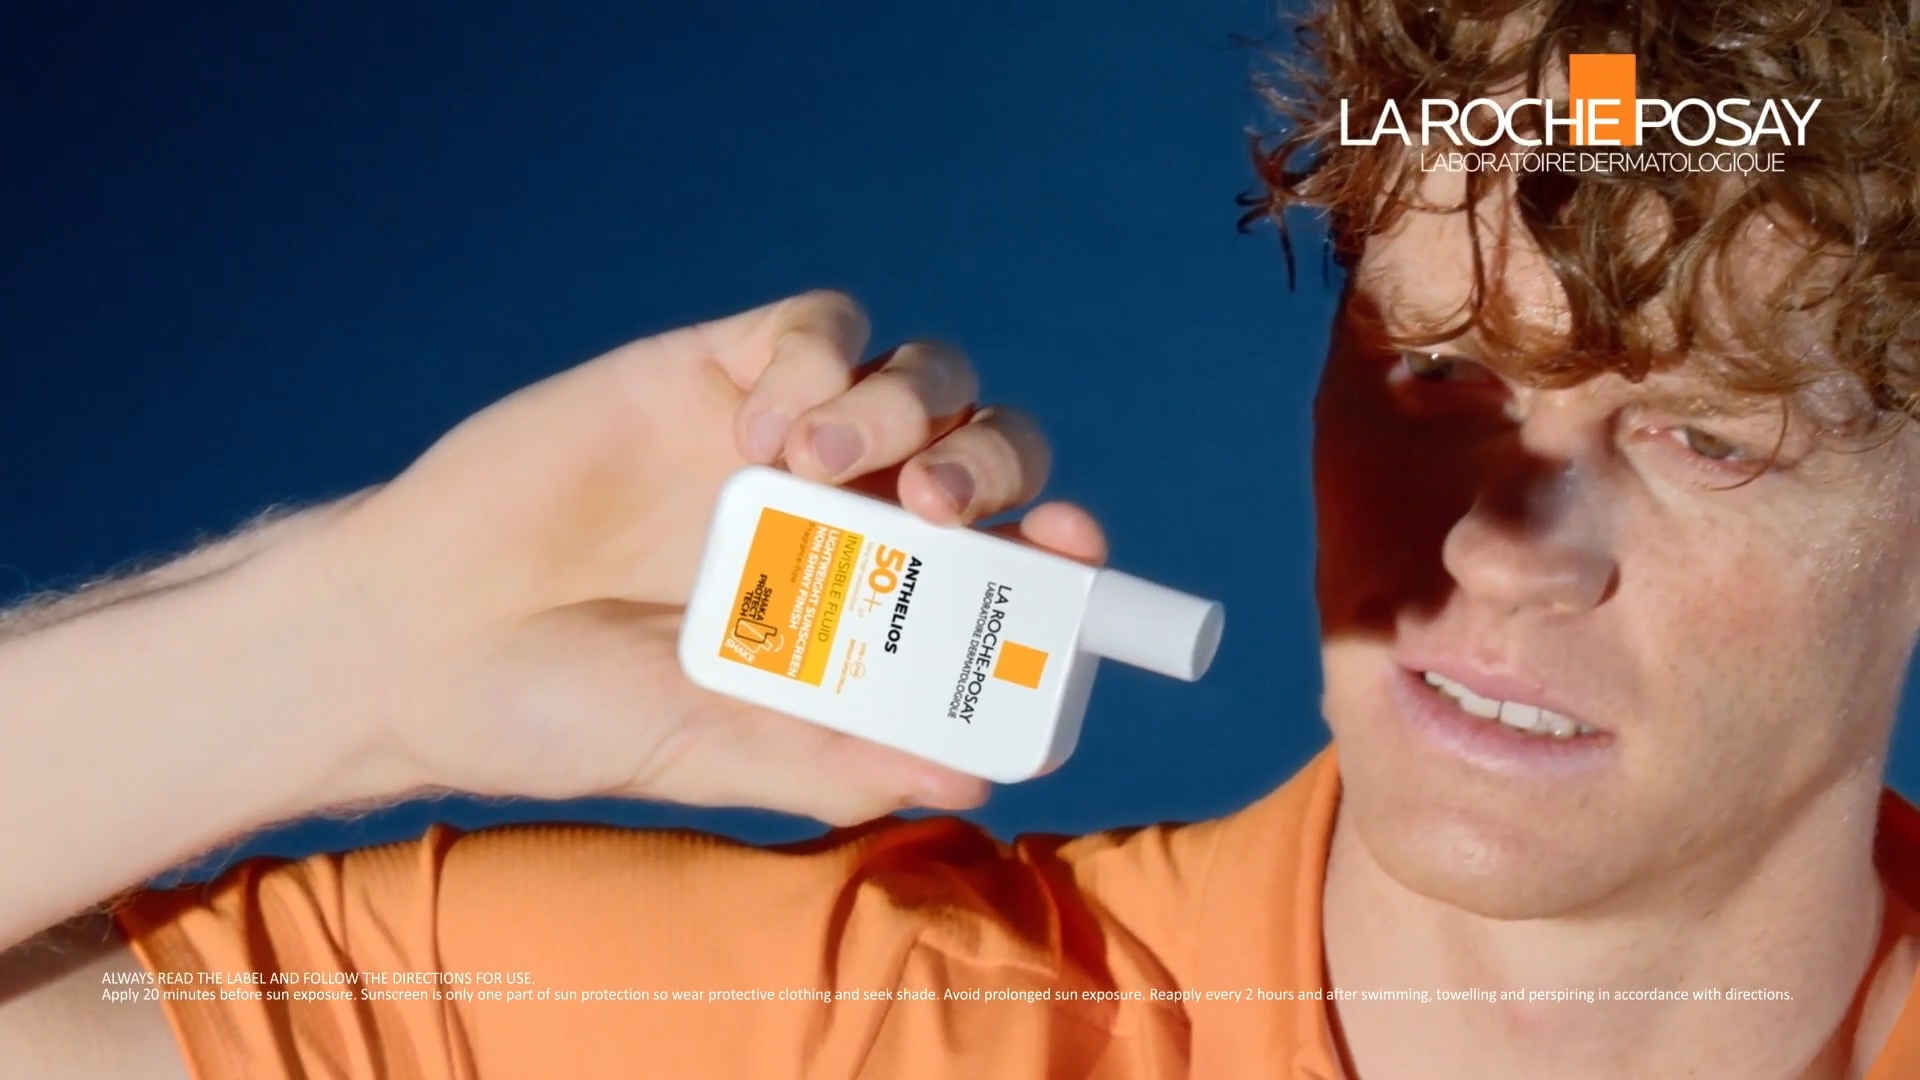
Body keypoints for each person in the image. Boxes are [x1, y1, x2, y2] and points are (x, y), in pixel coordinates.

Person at [2, 0, 1916, 1075]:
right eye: (1435, 369)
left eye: (1709, 439)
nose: (1502, 547)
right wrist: (364, 645)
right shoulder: (851, 1027)